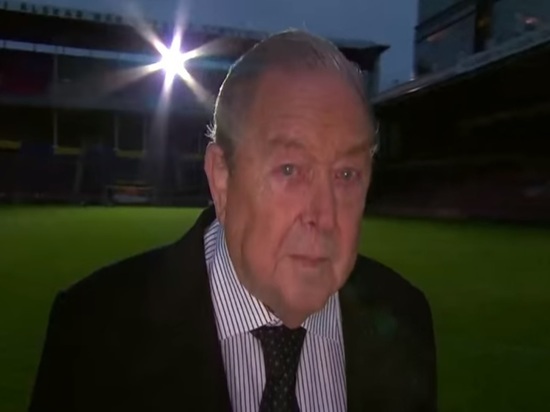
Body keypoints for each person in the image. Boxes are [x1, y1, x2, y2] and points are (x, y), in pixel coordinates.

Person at [29, 30, 437, 412]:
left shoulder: (405, 317)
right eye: (290, 170)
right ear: (222, 179)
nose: (325, 217)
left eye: (346, 174)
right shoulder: (92, 331)